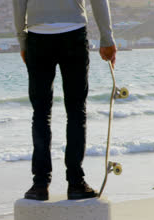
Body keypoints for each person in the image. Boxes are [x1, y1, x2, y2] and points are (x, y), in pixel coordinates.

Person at [12, 0, 117, 200]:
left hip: (38, 36)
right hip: (73, 33)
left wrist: (22, 40)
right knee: (76, 111)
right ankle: (76, 182)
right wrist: (106, 38)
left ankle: (40, 184)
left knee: (41, 113)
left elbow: (18, 3)